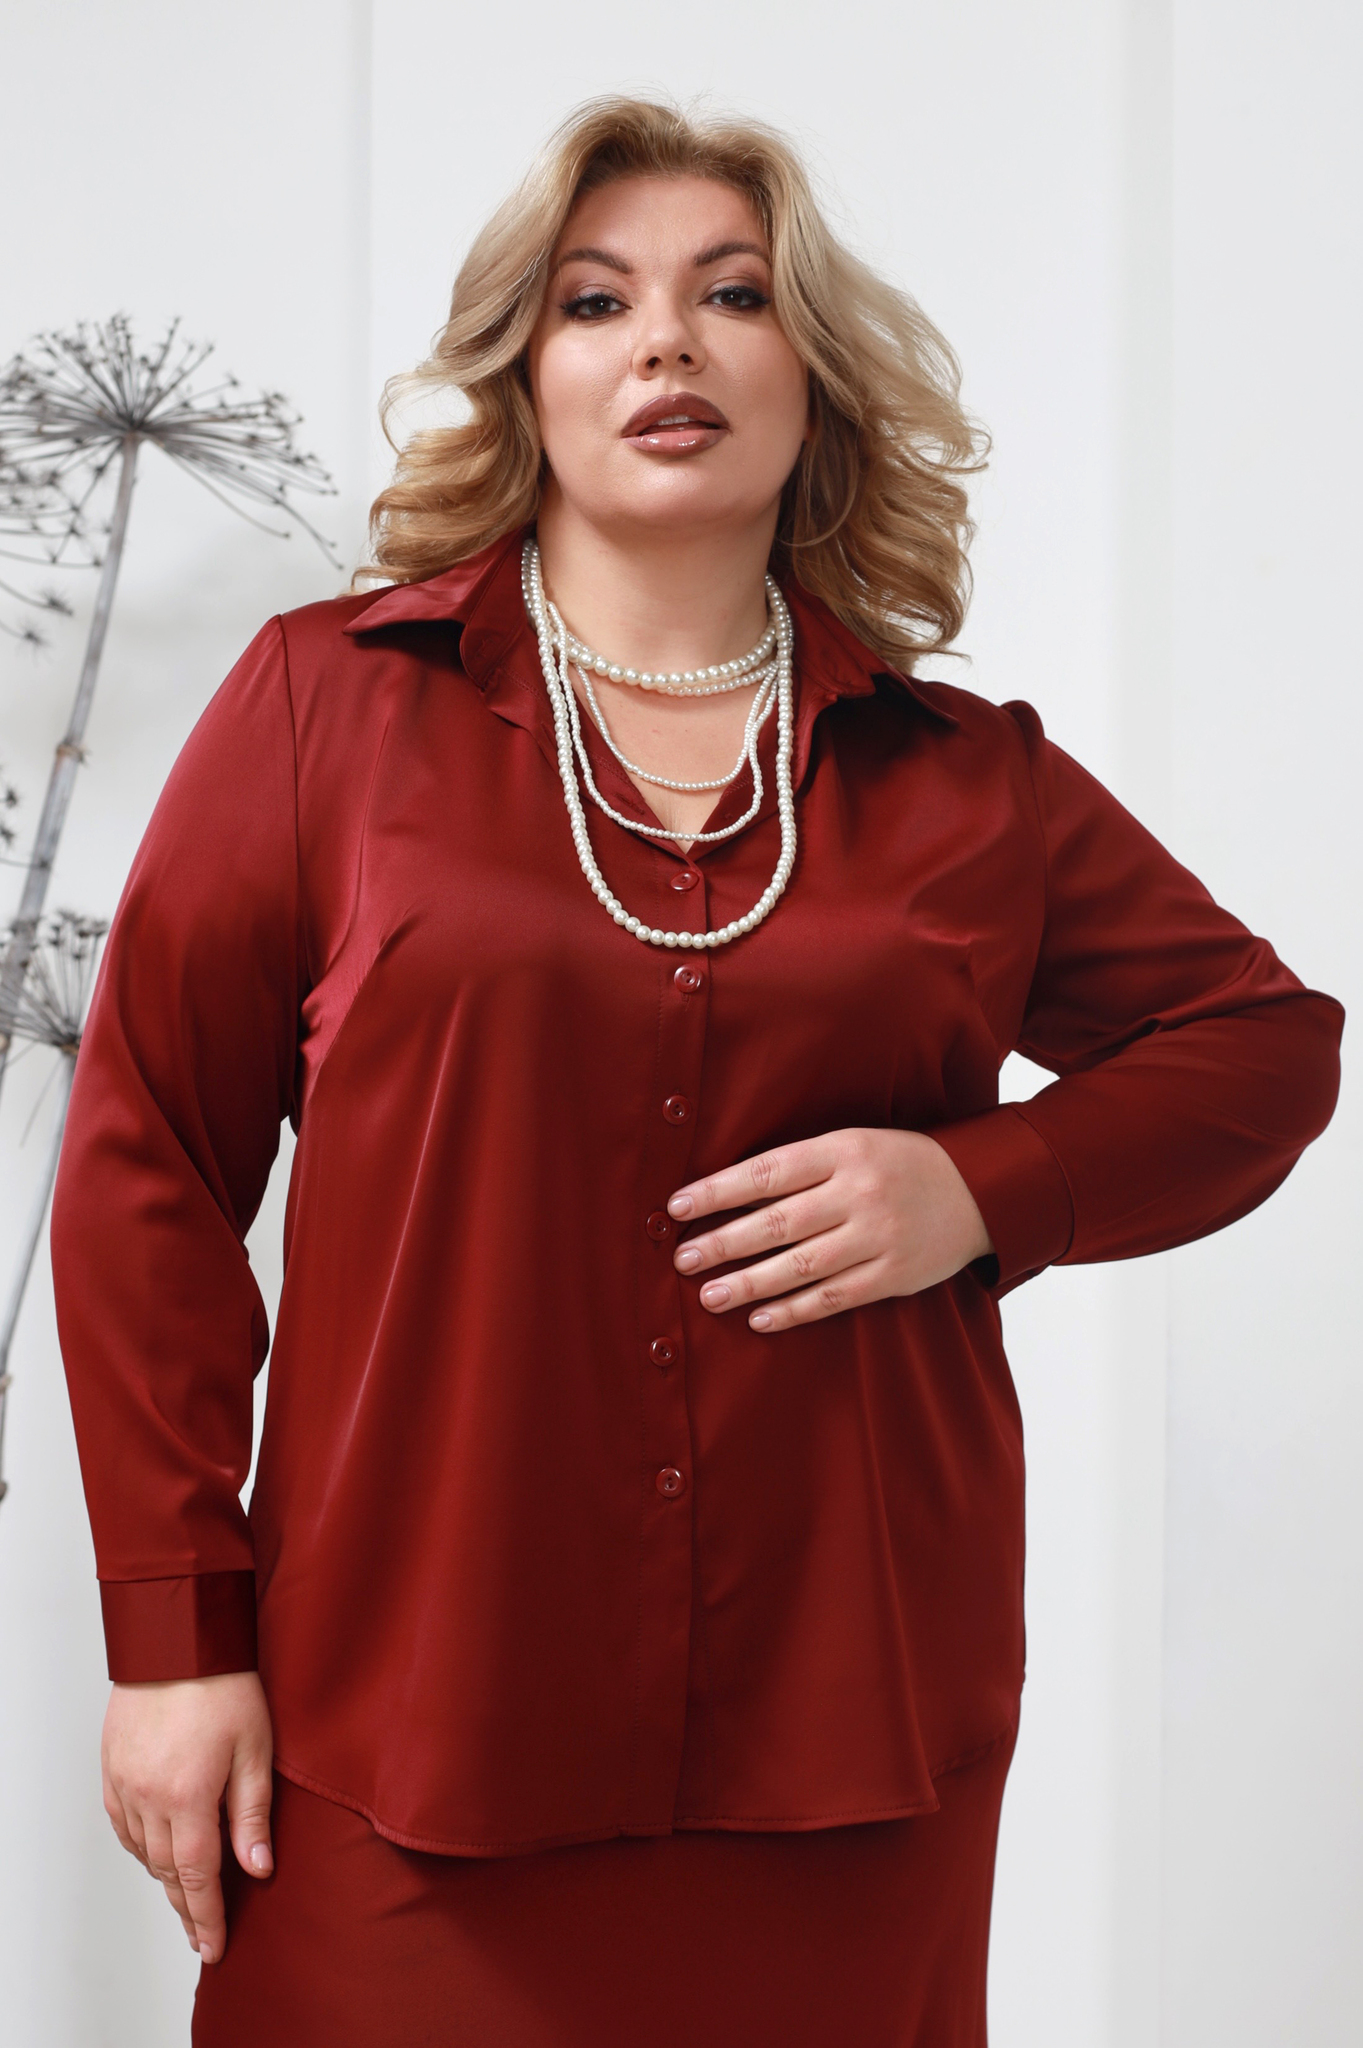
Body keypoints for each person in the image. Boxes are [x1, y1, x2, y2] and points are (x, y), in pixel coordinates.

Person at [51, 96, 1342, 2048]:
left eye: (732, 295)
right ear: (526, 378)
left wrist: (975, 1188)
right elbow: (148, 1159)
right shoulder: (329, 711)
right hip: (398, 1731)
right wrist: (172, 1638)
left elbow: (1262, 1043)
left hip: (846, 1747)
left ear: (811, 382)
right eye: (597, 302)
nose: (665, 340)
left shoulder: (961, 783)